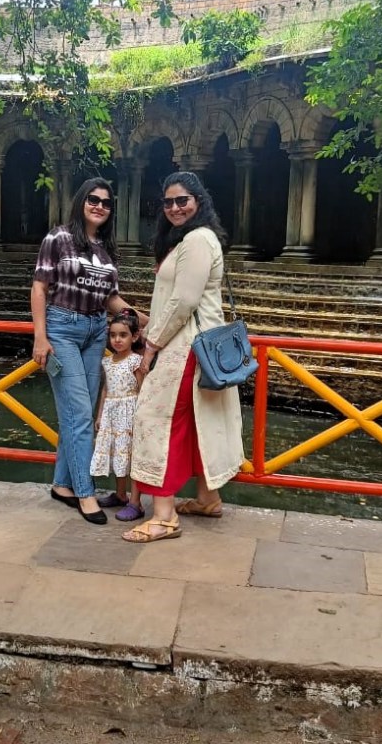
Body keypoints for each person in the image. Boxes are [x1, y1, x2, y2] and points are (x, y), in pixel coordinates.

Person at [122, 171, 244, 544]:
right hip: (193, 345)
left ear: (199, 201)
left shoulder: (197, 240)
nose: (175, 208)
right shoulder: (192, 239)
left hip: (184, 348)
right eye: (169, 202)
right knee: (194, 421)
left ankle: (163, 516)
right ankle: (208, 498)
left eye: (182, 200)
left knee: (158, 422)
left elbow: (184, 301)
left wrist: (151, 346)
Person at [31, 178, 146, 525]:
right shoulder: (59, 238)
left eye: (106, 202)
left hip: (97, 330)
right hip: (62, 328)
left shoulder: (105, 250)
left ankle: (63, 484)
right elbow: (39, 286)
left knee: (77, 413)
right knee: (81, 414)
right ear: (81, 201)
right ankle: (86, 492)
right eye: (93, 199)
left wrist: (147, 319)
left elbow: (110, 300)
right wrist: (40, 336)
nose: (99, 206)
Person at [90, 308, 145, 522]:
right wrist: (100, 415)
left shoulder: (135, 361)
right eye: (113, 335)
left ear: (135, 336)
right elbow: (106, 389)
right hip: (112, 413)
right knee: (117, 454)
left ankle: (135, 501)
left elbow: (142, 389)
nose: (117, 340)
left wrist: (140, 416)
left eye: (123, 335)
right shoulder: (107, 361)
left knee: (130, 456)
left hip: (129, 412)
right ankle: (120, 494)